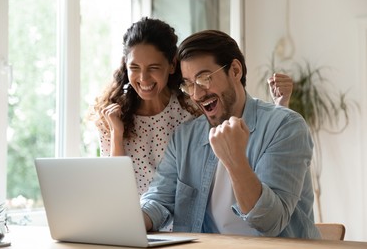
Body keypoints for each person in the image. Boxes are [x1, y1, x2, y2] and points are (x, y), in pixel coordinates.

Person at [140, 29, 321, 239]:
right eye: (188, 84)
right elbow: (159, 200)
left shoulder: (285, 127)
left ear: (235, 71)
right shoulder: (185, 137)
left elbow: (270, 222)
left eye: (204, 78)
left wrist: (235, 160)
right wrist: (130, 219)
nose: (197, 94)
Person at [92, 18, 293, 198]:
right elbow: (114, 190)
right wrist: (116, 134)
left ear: (172, 66)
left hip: (182, 225)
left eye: (153, 68)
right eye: (134, 68)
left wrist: (280, 107)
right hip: (137, 220)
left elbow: (239, 143)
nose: (143, 78)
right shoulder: (113, 117)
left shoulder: (191, 109)